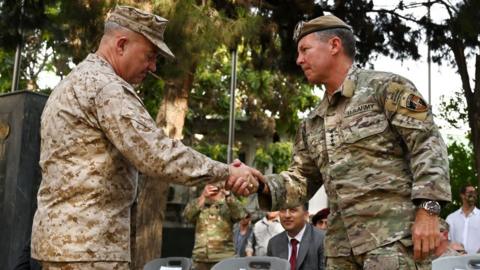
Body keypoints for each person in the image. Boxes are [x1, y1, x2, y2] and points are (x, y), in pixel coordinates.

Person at [30, 5, 261, 269]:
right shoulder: (107, 88)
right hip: (91, 249)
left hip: (63, 244)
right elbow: (156, 153)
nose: (152, 67)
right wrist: (225, 173)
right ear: (121, 45)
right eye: (149, 56)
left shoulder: (70, 84)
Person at [228, 14, 451, 269]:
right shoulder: (312, 122)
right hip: (340, 251)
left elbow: (428, 144)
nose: (299, 60)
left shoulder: (387, 88)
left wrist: (428, 211)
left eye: (305, 50)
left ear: (334, 45)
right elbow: (301, 181)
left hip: (393, 242)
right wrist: (261, 184)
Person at [183, 184, 245, 270]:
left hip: (224, 259)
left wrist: (228, 194)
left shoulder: (228, 204)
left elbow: (241, 214)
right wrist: (203, 196)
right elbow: (187, 216)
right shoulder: (199, 204)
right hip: (200, 259)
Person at [267, 204, 325, 270]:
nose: (287, 215)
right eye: (283, 210)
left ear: (305, 215)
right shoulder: (274, 243)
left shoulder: (322, 240)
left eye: (293, 210)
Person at [446, 184, 480, 254]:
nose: (473, 194)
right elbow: (446, 241)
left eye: (475, 192)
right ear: (462, 195)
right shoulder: (451, 218)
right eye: (470, 192)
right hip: (456, 262)